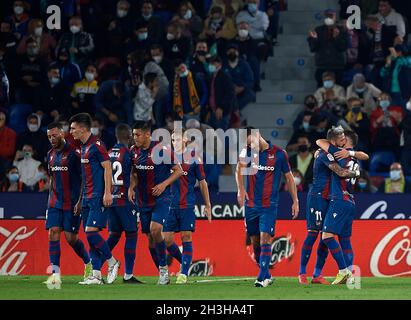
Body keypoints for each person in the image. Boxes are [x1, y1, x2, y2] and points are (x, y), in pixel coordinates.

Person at [298, 128, 366, 285]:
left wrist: (351, 155)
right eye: (341, 138)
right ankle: (302, 272)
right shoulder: (325, 153)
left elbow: (360, 156)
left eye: (345, 138)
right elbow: (321, 144)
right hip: (317, 197)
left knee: (326, 237)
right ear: (335, 141)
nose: (343, 140)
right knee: (313, 234)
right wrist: (356, 173)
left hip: (333, 198)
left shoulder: (340, 154)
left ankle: (317, 274)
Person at [236, 127, 299, 287]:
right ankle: (267, 274)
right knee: (255, 242)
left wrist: (295, 200)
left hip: (269, 206)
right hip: (250, 206)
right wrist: (241, 189)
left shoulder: (279, 154)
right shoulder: (247, 152)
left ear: (258, 136)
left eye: (251, 142)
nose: (250, 146)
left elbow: (289, 178)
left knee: (265, 238)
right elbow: (238, 169)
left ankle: (261, 278)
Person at [128, 121, 183, 285]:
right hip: (143, 200)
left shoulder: (162, 150)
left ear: (147, 134)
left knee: (155, 229)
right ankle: (162, 272)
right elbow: (134, 173)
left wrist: (164, 184)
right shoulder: (133, 151)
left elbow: (179, 170)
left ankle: (166, 271)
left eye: (138, 134)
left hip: (162, 197)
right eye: (133, 134)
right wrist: (131, 187)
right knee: (150, 239)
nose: (135, 137)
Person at [69, 113, 120, 285]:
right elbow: (85, 176)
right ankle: (96, 275)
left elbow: (107, 169)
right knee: (90, 236)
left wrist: (107, 192)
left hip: (98, 195)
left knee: (91, 233)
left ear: (83, 129)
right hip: (86, 198)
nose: (71, 131)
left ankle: (112, 261)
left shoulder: (97, 145)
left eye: (73, 128)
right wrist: (79, 199)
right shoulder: (83, 147)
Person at [43, 122, 92, 288]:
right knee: (53, 233)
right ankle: (55, 274)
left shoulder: (74, 153)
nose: (52, 139)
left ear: (62, 134)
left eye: (54, 135)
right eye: (49, 136)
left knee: (71, 239)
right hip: (55, 202)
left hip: (72, 203)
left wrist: (80, 200)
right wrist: (49, 200)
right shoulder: (50, 154)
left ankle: (88, 263)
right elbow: (52, 179)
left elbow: (84, 178)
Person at [163, 129, 212, 284]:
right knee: (167, 240)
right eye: (172, 139)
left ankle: (183, 273)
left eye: (177, 139)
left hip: (187, 204)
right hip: (170, 205)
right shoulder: (167, 158)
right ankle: (184, 262)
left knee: (186, 236)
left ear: (185, 139)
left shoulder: (194, 158)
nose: (174, 142)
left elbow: (203, 182)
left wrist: (208, 205)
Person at [106, 123, 143, 284]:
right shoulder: (128, 154)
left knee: (113, 235)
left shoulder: (107, 153)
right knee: (132, 234)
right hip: (126, 201)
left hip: (111, 200)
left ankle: (94, 269)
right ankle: (128, 274)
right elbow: (135, 174)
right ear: (128, 136)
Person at [308, 9, 348, 87]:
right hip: (322, 65)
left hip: (337, 65)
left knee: (338, 88)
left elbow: (343, 47)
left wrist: (337, 38)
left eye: (331, 16)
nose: (329, 18)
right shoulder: (318, 30)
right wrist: (314, 39)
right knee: (321, 88)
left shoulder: (341, 30)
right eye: (327, 16)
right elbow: (313, 48)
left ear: (335, 17)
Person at [205, 56, 235, 130]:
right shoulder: (210, 77)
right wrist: (209, 109)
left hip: (222, 113)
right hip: (212, 111)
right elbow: (210, 94)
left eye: (214, 63)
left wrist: (221, 107)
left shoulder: (225, 77)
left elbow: (230, 94)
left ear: (219, 65)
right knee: (211, 137)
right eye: (210, 63)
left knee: (221, 136)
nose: (211, 65)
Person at [223, 43, 255, 111]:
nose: (232, 53)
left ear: (238, 52)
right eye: (230, 51)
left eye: (234, 51)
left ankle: (235, 110)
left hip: (241, 90)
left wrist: (242, 87)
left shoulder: (244, 64)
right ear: (226, 52)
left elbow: (250, 80)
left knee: (250, 94)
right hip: (227, 90)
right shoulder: (223, 64)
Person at [0, 111, 17, 177]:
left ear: (5, 121)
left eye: (1, 119)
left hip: (5, 161)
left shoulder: (11, 133)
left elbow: (10, 152)